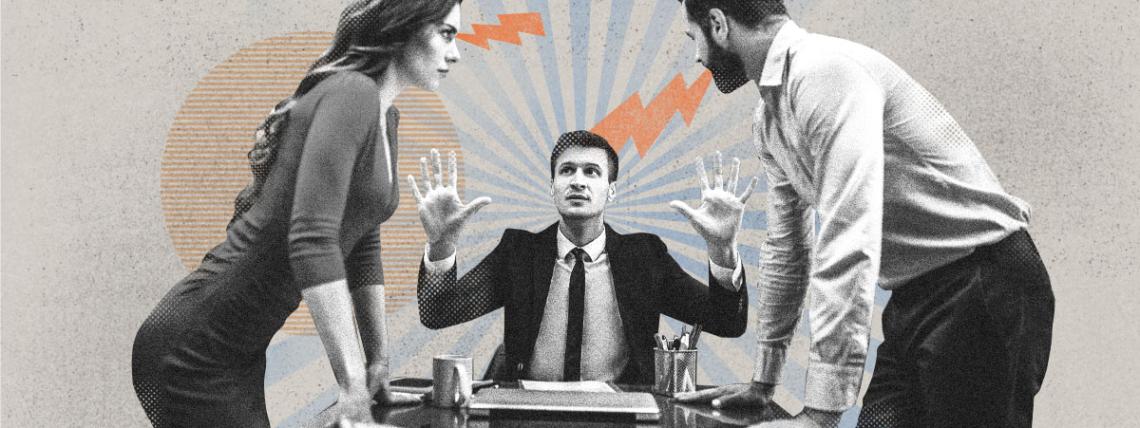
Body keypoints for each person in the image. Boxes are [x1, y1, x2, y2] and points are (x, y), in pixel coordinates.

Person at [670, 1, 1054, 427]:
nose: (698, 57)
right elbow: (787, 251)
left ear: (718, 24)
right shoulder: (769, 120)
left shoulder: (825, 72)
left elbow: (849, 237)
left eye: (694, 38)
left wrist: (819, 416)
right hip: (914, 296)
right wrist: (763, 383)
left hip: (983, 282)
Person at [130, 1, 464, 426]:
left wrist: (376, 364)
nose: (456, 53)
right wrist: (351, 385)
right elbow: (312, 239)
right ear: (404, 26)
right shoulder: (352, 93)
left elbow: (361, 237)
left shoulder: (384, 115)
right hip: (194, 347)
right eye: (446, 34)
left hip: (237, 351)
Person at [408, 131, 757, 384]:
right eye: (567, 171)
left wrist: (722, 250)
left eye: (591, 171)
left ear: (611, 191)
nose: (578, 181)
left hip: (619, 414)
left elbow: (726, 322)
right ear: (552, 187)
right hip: (529, 412)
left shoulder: (644, 258)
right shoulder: (519, 253)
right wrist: (441, 245)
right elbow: (438, 313)